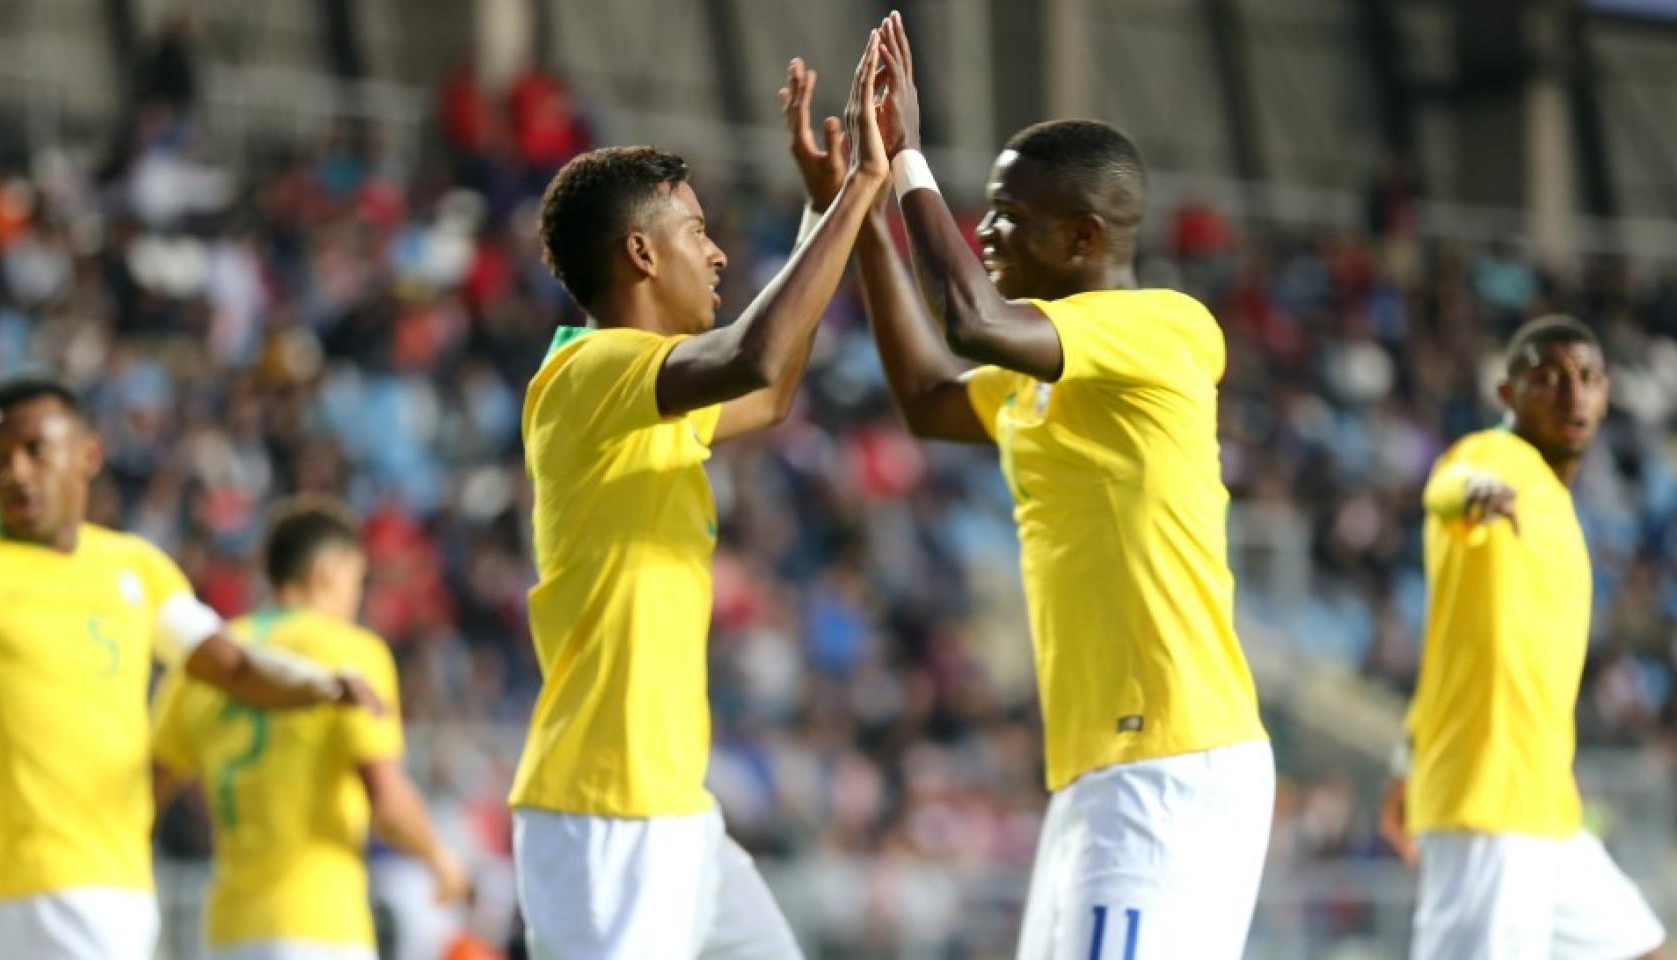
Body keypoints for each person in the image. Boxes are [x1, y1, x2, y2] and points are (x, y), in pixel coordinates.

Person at [807, 14, 1272, 957]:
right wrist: (862, 216)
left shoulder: (1164, 329)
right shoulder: (1038, 371)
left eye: (1009, 214)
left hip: (1171, 761)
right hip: (1099, 770)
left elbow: (972, 323)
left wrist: (905, 166)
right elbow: (930, 395)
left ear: (1085, 237)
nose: (984, 228)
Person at [506, 29, 890, 960]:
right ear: (640, 253)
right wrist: (858, 190)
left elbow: (771, 389)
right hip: (605, 809)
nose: (717, 255)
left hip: (675, 808)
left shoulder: (646, 392)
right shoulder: (590, 369)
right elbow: (757, 353)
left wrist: (817, 212)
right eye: (697, 233)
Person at [0, 376, 382, 960]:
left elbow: (233, 666)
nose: (15, 473)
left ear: (88, 453)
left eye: (35, 450)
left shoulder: (137, 569)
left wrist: (319, 684)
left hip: (110, 894)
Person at [1379, 317, 1666, 960]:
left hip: (1546, 809)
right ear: (1508, 394)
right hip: (1489, 806)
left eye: (1587, 378)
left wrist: (1406, 764)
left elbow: (1455, 646)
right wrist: (1476, 493)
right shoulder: (1494, 458)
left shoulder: (1560, 503)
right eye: (1548, 378)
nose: (1572, 394)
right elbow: (1449, 485)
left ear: (1607, 393)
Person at [151, 496, 468, 960]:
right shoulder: (349, 652)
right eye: (358, 582)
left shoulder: (207, 661)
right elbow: (385, 797)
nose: (356, 598)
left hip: (226, 930)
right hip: (319, 926)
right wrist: (440, 858)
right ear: (330, 570)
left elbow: (149, 792)